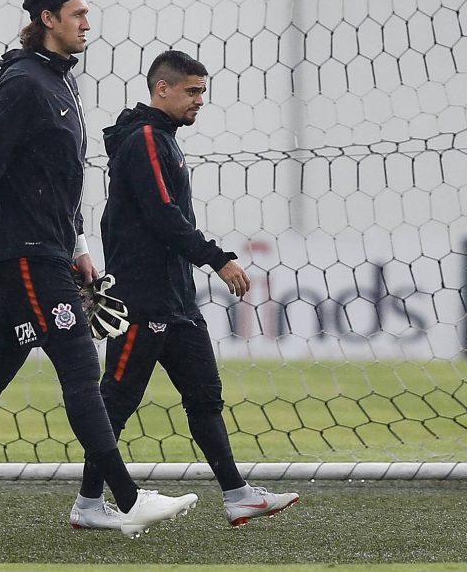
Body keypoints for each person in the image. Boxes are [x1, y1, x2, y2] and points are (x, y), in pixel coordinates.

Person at [0, 0, 198, 539]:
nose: (87, 23)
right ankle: (127, 500)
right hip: (25, 254)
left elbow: (60, 181)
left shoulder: (60, 85)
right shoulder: (22, 84)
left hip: (50, 253)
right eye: (77, 14)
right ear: (48, 18)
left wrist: (81, 248)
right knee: (81, 370)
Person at [69, 49, 300, 530]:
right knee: (116, 401)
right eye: (192, 91)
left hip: (176, 300)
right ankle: (89, 505)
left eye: (203, 91)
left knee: (204, 398)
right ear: (162, 89)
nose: (200, 100)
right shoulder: (148, 139)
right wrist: (218, 258)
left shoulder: (163, 139)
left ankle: (238, 495)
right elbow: (161, 214)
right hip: (141, 300)